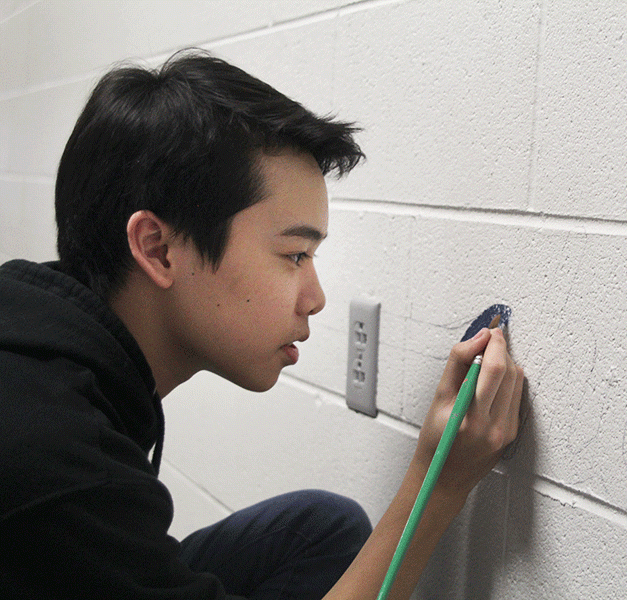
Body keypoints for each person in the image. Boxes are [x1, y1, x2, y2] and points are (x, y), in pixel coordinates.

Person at [0, 49, 524, 600]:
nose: (316, 299)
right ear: (158, 248)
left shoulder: (49, 338)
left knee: (319, 531)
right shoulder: (55, 458)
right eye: (295, 255)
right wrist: (437, 482)